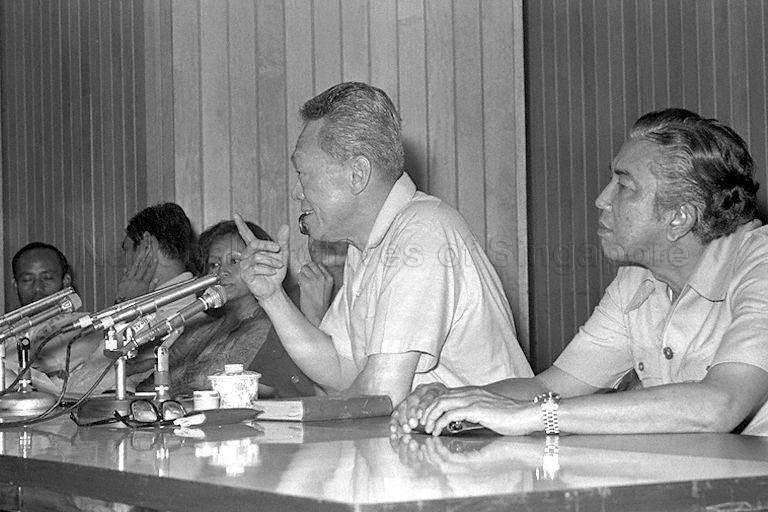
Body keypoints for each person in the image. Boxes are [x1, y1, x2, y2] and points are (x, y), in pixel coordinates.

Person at [392, 108, 768, 436]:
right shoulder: (639, 277)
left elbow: (720, 404)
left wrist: (541, 417)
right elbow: (552, 387)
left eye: (624, 186)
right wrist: (454, 399)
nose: (601, 199)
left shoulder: (761, 264)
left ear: (680, 217)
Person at [234, 81, 532, 407]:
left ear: (358, 174)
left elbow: (381, 394)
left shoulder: (422, 233)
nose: (297, 192)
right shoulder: (370, 244)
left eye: (303, 173)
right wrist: (272, 297)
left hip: (489, 449)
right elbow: (340, 369)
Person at [159, 220, 315, 398]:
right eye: (214, 265)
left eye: (234, 260)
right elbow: (152, 381)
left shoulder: (277, 330)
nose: (222, 272)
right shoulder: (199, 330)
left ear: (262, 263)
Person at [67, 202, 201, 394]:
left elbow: (80, 390)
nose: (125, 266)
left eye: (128, 250)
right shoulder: (159, 305)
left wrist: (124, 306)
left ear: (148, 245)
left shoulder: (174, 315)